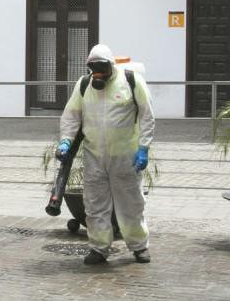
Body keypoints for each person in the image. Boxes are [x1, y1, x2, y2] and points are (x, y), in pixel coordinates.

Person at [56, 45, 155, 265]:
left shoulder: (131, 81)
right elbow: (72, 116)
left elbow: (147, 115)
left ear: (111, 66)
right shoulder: (84, 85)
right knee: (95, 204)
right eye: (95, 72)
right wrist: (65, 141)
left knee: (131, 203)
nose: (98, 76)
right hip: (94, 157)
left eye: (103, 71)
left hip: (126, 157)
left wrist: (143, 147)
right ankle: (99, 249)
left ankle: (139, 246)